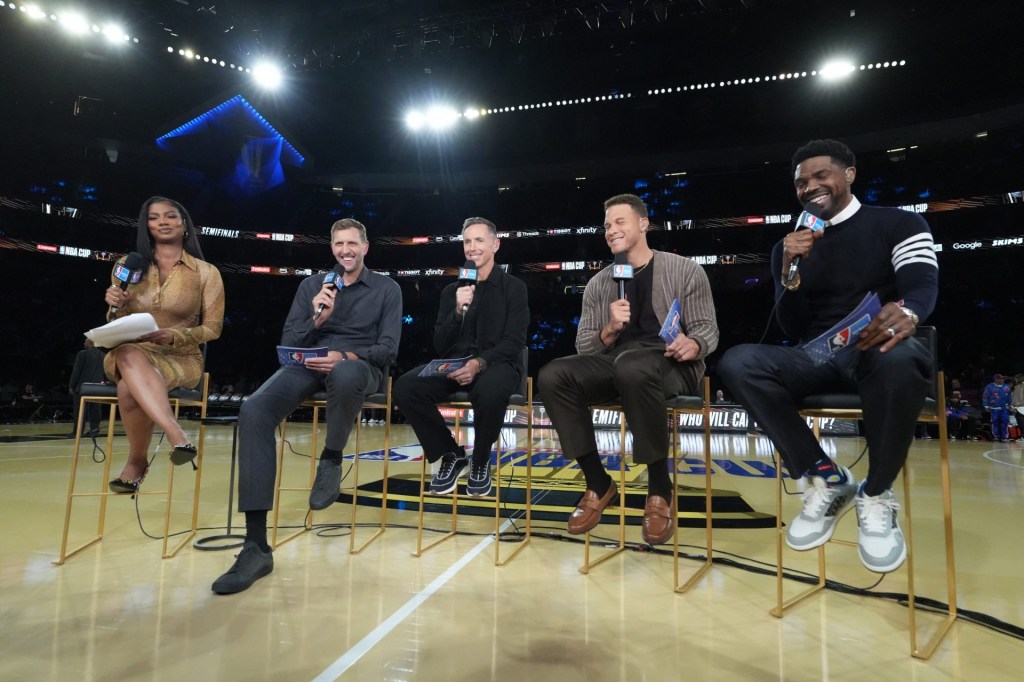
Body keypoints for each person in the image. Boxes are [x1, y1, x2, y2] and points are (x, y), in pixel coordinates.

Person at [719, 139, 938, 574]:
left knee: (899, 357)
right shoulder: (788, 247)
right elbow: (792, 327)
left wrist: (909, 312)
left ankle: (876, 493)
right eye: (801, 182)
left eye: (821, 175)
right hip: (816, 355)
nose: (810, 186)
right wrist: (790, 274)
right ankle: (825, 475)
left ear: (849, 174)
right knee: (737, 362)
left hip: (875, 347)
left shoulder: (899, 222)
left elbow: (922, 285)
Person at [212, 218, 401, 595]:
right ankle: (256, 547)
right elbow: (289, 342)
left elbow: (388, 350)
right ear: (332, 248)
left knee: (345, 373)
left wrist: (345, 355)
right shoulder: (312, 286)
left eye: (352, 243)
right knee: (254, 410)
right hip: (308, 364)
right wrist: (318, 320)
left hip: (359, 366)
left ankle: (331, 459)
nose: (345, 250)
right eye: (338, 244)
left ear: (365, 247)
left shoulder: (387, 289)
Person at [538, 193, 719, 544]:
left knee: (633, 366)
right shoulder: (599, 283)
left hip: (670, 362)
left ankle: (659, 488)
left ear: (643, 223)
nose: (611, 230)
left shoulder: (685, 269)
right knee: (553, 375)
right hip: (616, 362)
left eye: (619, 222)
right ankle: (598, 483)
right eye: (607, 225)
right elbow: (584, 346)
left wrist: (694, 344)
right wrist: (609, 329)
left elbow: (707, 328)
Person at [393, 217, 529, 497]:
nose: (472, 247)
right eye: (467, 241)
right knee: (406, 387)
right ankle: (451, 454)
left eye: (479, 240)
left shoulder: (514, 287)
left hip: (496, 364)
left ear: (495, 245)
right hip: (455, 365)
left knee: (490, 390)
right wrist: (457, 311)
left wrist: (479, 363)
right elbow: (440, 344)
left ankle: (480, 460)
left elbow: (515, 341)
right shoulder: (451, 292)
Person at [102, 196, 225, 494]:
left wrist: (175, 336)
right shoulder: (126, 266)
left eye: (170, 216)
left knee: (126, 387)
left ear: (184, 225)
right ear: (147, 226)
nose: (163, 222)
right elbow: (112, 319)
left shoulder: (206, 273)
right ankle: (176, 434)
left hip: (181, 356)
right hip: (131, 351)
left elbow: (213, 329)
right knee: (128, 352)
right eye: (154, 217)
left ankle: (136, 463)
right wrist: (116, 305)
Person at [68, 338, 106, 437]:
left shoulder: (82, 354)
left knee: (79, 410)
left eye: (85, 342)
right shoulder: (103, 355)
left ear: (90, 343)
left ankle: (78, 432)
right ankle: (95, 431)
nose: (84, 343)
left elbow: (76, 371)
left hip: (83, 386)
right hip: (98, 387)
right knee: (95, 409)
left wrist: (72, 385)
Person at [982, 373, 1013, 442]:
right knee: (995, 422)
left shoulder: (1006, 386)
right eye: (1001, 379)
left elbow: (1009, 396)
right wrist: (986, 406)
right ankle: (996, 436)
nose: (1002, 380)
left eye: (1003, 379)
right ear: (996, 379)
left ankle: (1004, 437)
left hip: (1004, 408)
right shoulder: (989, 386)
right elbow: (985, 396)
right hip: (994, 408)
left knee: (1005, 421)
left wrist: (1010, 404)